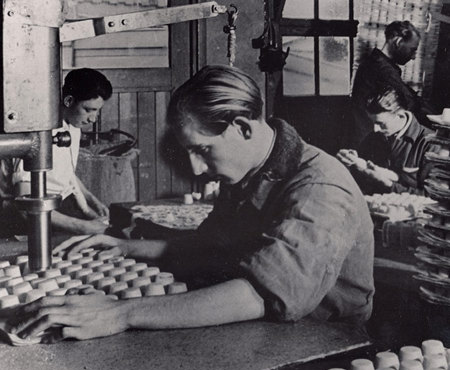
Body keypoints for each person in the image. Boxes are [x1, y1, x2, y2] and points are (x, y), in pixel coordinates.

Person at [8, 65, 375, 342]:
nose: (198, 168)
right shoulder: (251, 172)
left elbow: (262, 295)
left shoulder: (319, 187)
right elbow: (211, 245)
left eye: (202, 150)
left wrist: (121, 313)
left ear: (243, 128)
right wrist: (127, 248)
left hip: (320, 342)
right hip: (253, 326)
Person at [12, 68, 113, 235]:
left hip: (58, 203)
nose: (93, 119)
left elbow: (65, 172)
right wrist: (84, 226)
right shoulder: (40, 131)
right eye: (88, 110)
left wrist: (90, 201)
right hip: (32, 214)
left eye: (97, 111)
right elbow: (24, 205)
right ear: (68, 101)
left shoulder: (73, 124)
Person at [338, 85, 434, 195]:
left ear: (401, 116)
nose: (375, 128)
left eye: (380, 123)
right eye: (372, 122)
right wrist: (352, 164)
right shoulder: (373, 138)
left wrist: (389, 185)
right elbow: (359, 183)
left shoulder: (429, 144)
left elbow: (432, 197)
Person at [351, 20, 435, 146]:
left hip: (367, 138)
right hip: (368, 142)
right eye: (412, 50)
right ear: (398, 42)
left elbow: (409, 96)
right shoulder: (383, 69)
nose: (413, 57)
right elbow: (410, 104)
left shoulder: (376, 63)